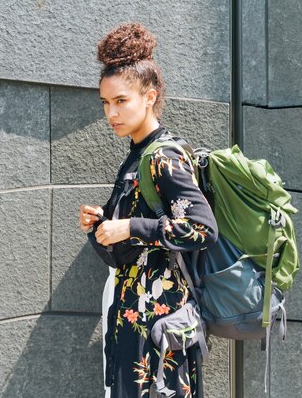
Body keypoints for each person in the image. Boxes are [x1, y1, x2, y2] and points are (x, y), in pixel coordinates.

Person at [78, 23, 218, 398]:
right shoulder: (136, 156)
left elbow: (202, 229)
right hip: (134, 318)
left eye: (121, 101)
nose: (111, 113)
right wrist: (102, 224)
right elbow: (126, 249)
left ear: (150, 96)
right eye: (106, 103)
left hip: (161, 324)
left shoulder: (165, 155)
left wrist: (131, 227)